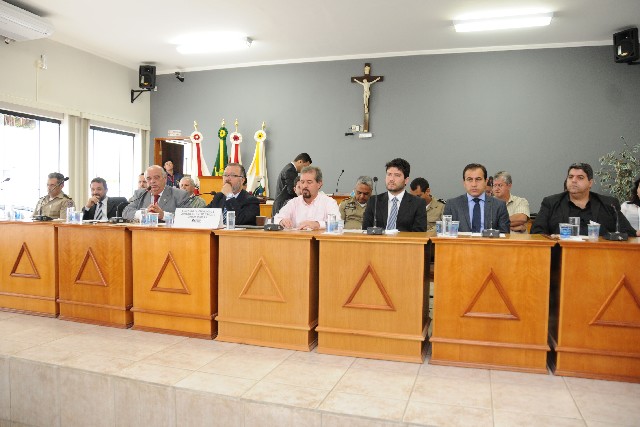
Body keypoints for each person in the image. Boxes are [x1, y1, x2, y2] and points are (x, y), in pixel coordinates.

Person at [531, 162, 636, 236]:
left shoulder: (609, 204)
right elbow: (536, 232)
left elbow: (628, 233)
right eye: (570, 177)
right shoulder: (551, 202)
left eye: (580, 177)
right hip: (562, 254)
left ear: (590, 183)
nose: (574, 180)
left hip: (600, 255)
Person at [362, 158, 427, 232]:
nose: (391, 179)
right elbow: (365, 230)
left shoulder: (418, 203)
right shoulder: (374, 201)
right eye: (389, 174)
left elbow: (419, 234)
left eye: (397, 175)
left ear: (406, 180)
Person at [444, 163, 510, 233]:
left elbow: (505, 235)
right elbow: (445, 234)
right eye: (469, 179)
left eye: (478, 179)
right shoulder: (452, 205)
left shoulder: (499, 205)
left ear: (486, 181)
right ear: (464, 183)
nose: (474, 184)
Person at [274, 166, 340, 230]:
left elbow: (337, 222)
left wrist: (318, 224)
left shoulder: (329, 202)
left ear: (319, 184)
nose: (304, 186)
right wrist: (281, 221)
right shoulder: (294, 202)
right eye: (302, 182)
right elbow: (277, 218)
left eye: (309, 182)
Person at [122, 165, 190, 221]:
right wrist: (144, 213)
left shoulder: (180, 195)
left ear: (165, 178)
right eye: (149, 178)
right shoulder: (140, 193)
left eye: (156, 178)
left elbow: (186, 218)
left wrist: (163, 215)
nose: (152, 181)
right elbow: (126, 212)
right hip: (143, 232)